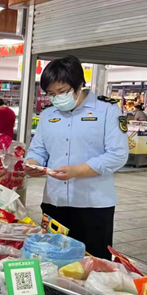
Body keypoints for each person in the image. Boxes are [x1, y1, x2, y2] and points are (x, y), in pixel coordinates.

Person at [24, 55, 129, 260]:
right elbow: (39, 150)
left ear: (79, 85)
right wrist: (32, 163)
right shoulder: (48, 115)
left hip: (93, 206)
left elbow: (118, 154)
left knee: (93, 264)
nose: (56, 98)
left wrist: (77, 171)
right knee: (52, 260)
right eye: (51, 94)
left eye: (62, 92)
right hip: (55, 204)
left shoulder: (107, 110)